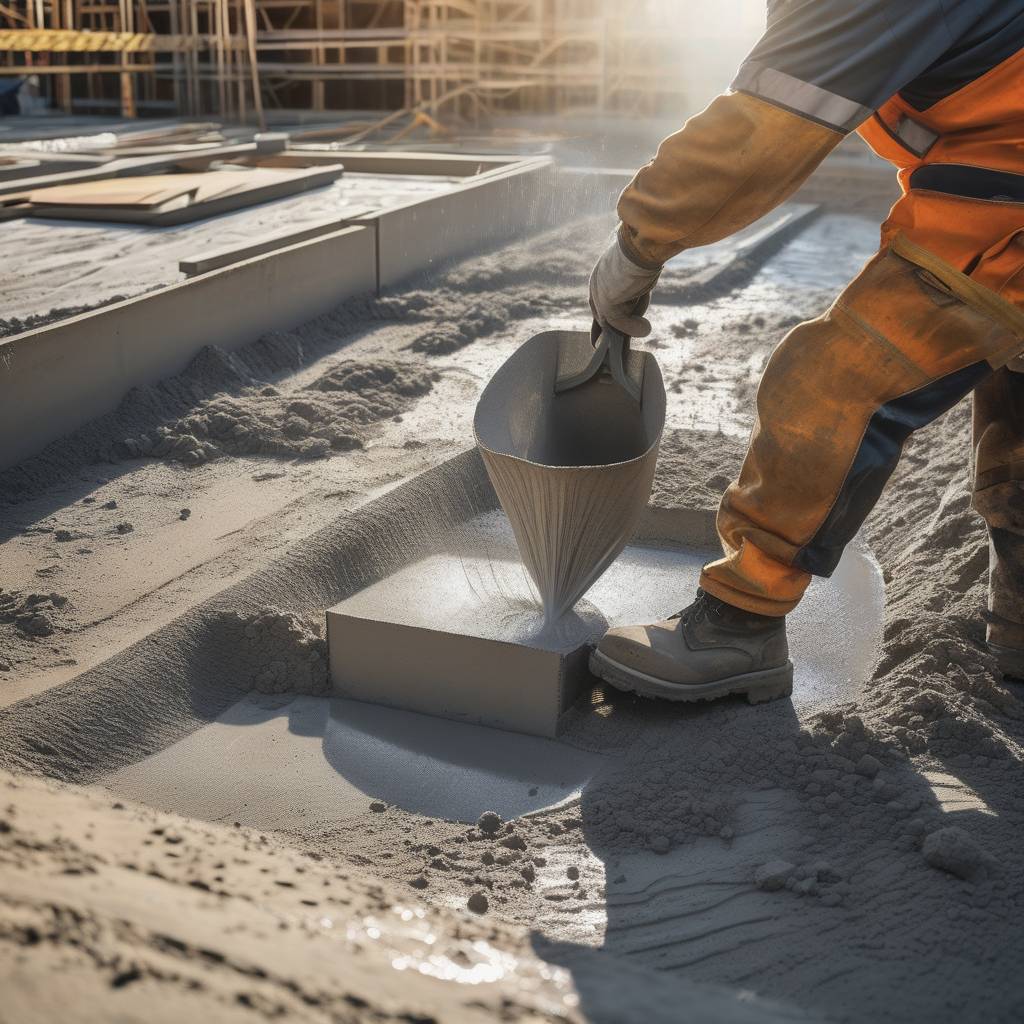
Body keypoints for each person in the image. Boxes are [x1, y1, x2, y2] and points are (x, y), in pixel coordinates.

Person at [587, 0, 1024, 704]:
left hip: (1010, 191)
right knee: (1015, 395)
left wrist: (638, 244)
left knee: (832, 380)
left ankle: (740, 624)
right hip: (995, 167)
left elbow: (764, 130)